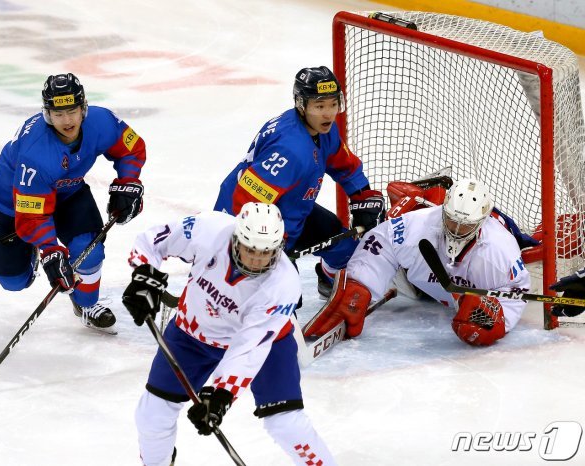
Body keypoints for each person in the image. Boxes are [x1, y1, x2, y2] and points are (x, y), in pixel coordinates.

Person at [122, 202, 337, 466]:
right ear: (236, 238)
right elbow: (153, 241)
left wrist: (222, 394)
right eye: (250, 250)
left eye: (266, 253)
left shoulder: (283, 284)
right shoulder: (208, 229)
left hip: (267, 346)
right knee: (152, 414)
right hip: (193, 334)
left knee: (286, 424)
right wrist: (144, 276)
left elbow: (249, 347)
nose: (257, 260)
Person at [0, 73, 146, 333]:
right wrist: (49, 249)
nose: (67, 120)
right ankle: (32, 251)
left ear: (83, 109)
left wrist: (128, 180)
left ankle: (85, 304)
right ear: (48, 114)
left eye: (72, 111)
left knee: (90, 249)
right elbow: (31, 217)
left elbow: (132, 148)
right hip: (14, 205)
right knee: (13, 282)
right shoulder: (37, 154)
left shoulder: (102, 121)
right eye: (58, 114)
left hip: (67, 193)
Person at [214, 66, 385, 298]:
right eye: (320, 106)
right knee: (285, 299)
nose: (328, 114)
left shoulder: (323, 130)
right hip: (251, 225)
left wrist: (361, 195)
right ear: (302, 105)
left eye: (333, 104)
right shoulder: (289, 150)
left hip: (292, 207)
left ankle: (329, 279)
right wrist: (264, 244)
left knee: (347, 251)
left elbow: (343, 164)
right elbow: (245, 202)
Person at [304, 178, 532, 347]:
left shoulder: (500, 250)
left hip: (440, 286)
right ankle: (328, 273)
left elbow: (517, 288)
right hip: (420, 281)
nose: (458, 231)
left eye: (466, 226)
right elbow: (382, 240)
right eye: (452, 222)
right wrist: (361, 285)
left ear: (481, 223)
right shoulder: (421, 225)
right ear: (443, 211)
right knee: (371, 236)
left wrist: (499, 319)